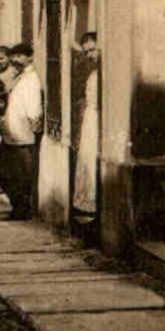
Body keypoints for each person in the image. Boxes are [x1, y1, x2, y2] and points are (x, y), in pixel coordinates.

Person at [0, 41, 43, 221]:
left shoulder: (32, 79)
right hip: (11, 134)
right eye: (13, 56)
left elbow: (34, 107)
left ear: (30, 57)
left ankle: (21, 210)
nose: (15, 59)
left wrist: (34, 126)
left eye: (20, 56)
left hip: (23, 136)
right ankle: (17, 207)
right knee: (0, 166)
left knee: (21, 175)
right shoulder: (19, 77)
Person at [72, 32, 99, 220]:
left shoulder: (104, 73)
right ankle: (86, 206)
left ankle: (91, 204)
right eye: (86, 52)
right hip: (90, 119)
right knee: (87, 162)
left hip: (97, 119)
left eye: (92, 49)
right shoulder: (93, 73)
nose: (90, 55)